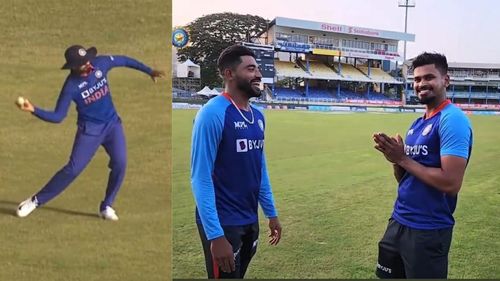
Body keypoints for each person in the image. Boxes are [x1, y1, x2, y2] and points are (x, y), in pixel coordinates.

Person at [15, 44, 164, 221]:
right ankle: (35, 201)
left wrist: (149, 71)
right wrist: (33, 109)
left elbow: (124, 60)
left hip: (112, 125)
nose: (87, 65)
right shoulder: (71, 86)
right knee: (73, 169)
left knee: (121, 163)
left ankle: (106, 206)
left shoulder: (100, 63)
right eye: (82, 64)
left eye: (87, 61)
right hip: (89, 131)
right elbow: (58, 116)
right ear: (73, 67)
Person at [373, 52, 473, 278]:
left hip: (428, 229)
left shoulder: (452, 119)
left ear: (445, 80)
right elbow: (406, 179)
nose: (421, 84)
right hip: (399, 221)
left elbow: (451, 183)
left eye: (429, 77)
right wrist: (395, 160)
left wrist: (402, 158)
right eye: (417, 79)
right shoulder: (417, 124)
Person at [190, 44, 282, 279]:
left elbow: (259, 169)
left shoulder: (258, 117)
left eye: (258, 68)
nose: (258, 75)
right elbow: (200, 177)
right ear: (229, 74)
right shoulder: (212, 114)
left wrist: (271, 213)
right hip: (223, 223)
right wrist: (215, 235)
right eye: (251, 69)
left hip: (249, 219)